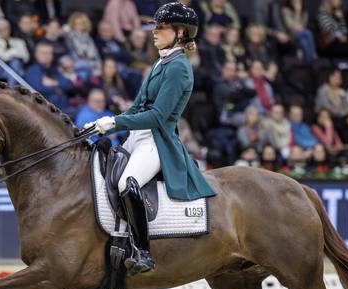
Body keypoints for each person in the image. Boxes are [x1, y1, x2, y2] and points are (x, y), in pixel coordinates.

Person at [84, 2, 216, 275]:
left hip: (157, 140)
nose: (154, 32)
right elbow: (137, 107)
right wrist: (104, 123)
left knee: (126, 182)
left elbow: (157, 116)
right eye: (154, 26)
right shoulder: (160, 62)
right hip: (137, 136)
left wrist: (116, 122)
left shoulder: (179, 67)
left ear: (180, 33)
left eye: (161, 27)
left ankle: (142, 251)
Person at [25, 43, 73, 112]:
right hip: (45, 110)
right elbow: (38, 89)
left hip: (63, 109)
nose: (47, 55)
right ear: (36, 54)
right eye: (43, 53)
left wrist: (54, 83)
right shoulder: (33, 70)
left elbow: (68, 84)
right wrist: (58, 88)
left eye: (49, 53)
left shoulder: (54, 69)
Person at [0, 18, 29, 84]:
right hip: (0, 70)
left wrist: (8, 52)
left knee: (15, 63)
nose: (3, 31)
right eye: (0, 30)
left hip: (18, 69)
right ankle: (12, 88)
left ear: (9, 29)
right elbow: (4, 56)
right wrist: (16, 51)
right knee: (15, 65)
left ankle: (11, 88)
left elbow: (26, 57)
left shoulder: (19, 41)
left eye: (5, 28)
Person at [65, 12, 103, 81]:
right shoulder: (70, 37)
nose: (80, 26)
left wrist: (98, 67)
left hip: (92, 65)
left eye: (82, 24)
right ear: (73, 25)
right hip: (78, 66)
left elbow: (96, 55)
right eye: (77, 24)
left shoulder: (89, 38)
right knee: (84, 72)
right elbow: (73, 55)